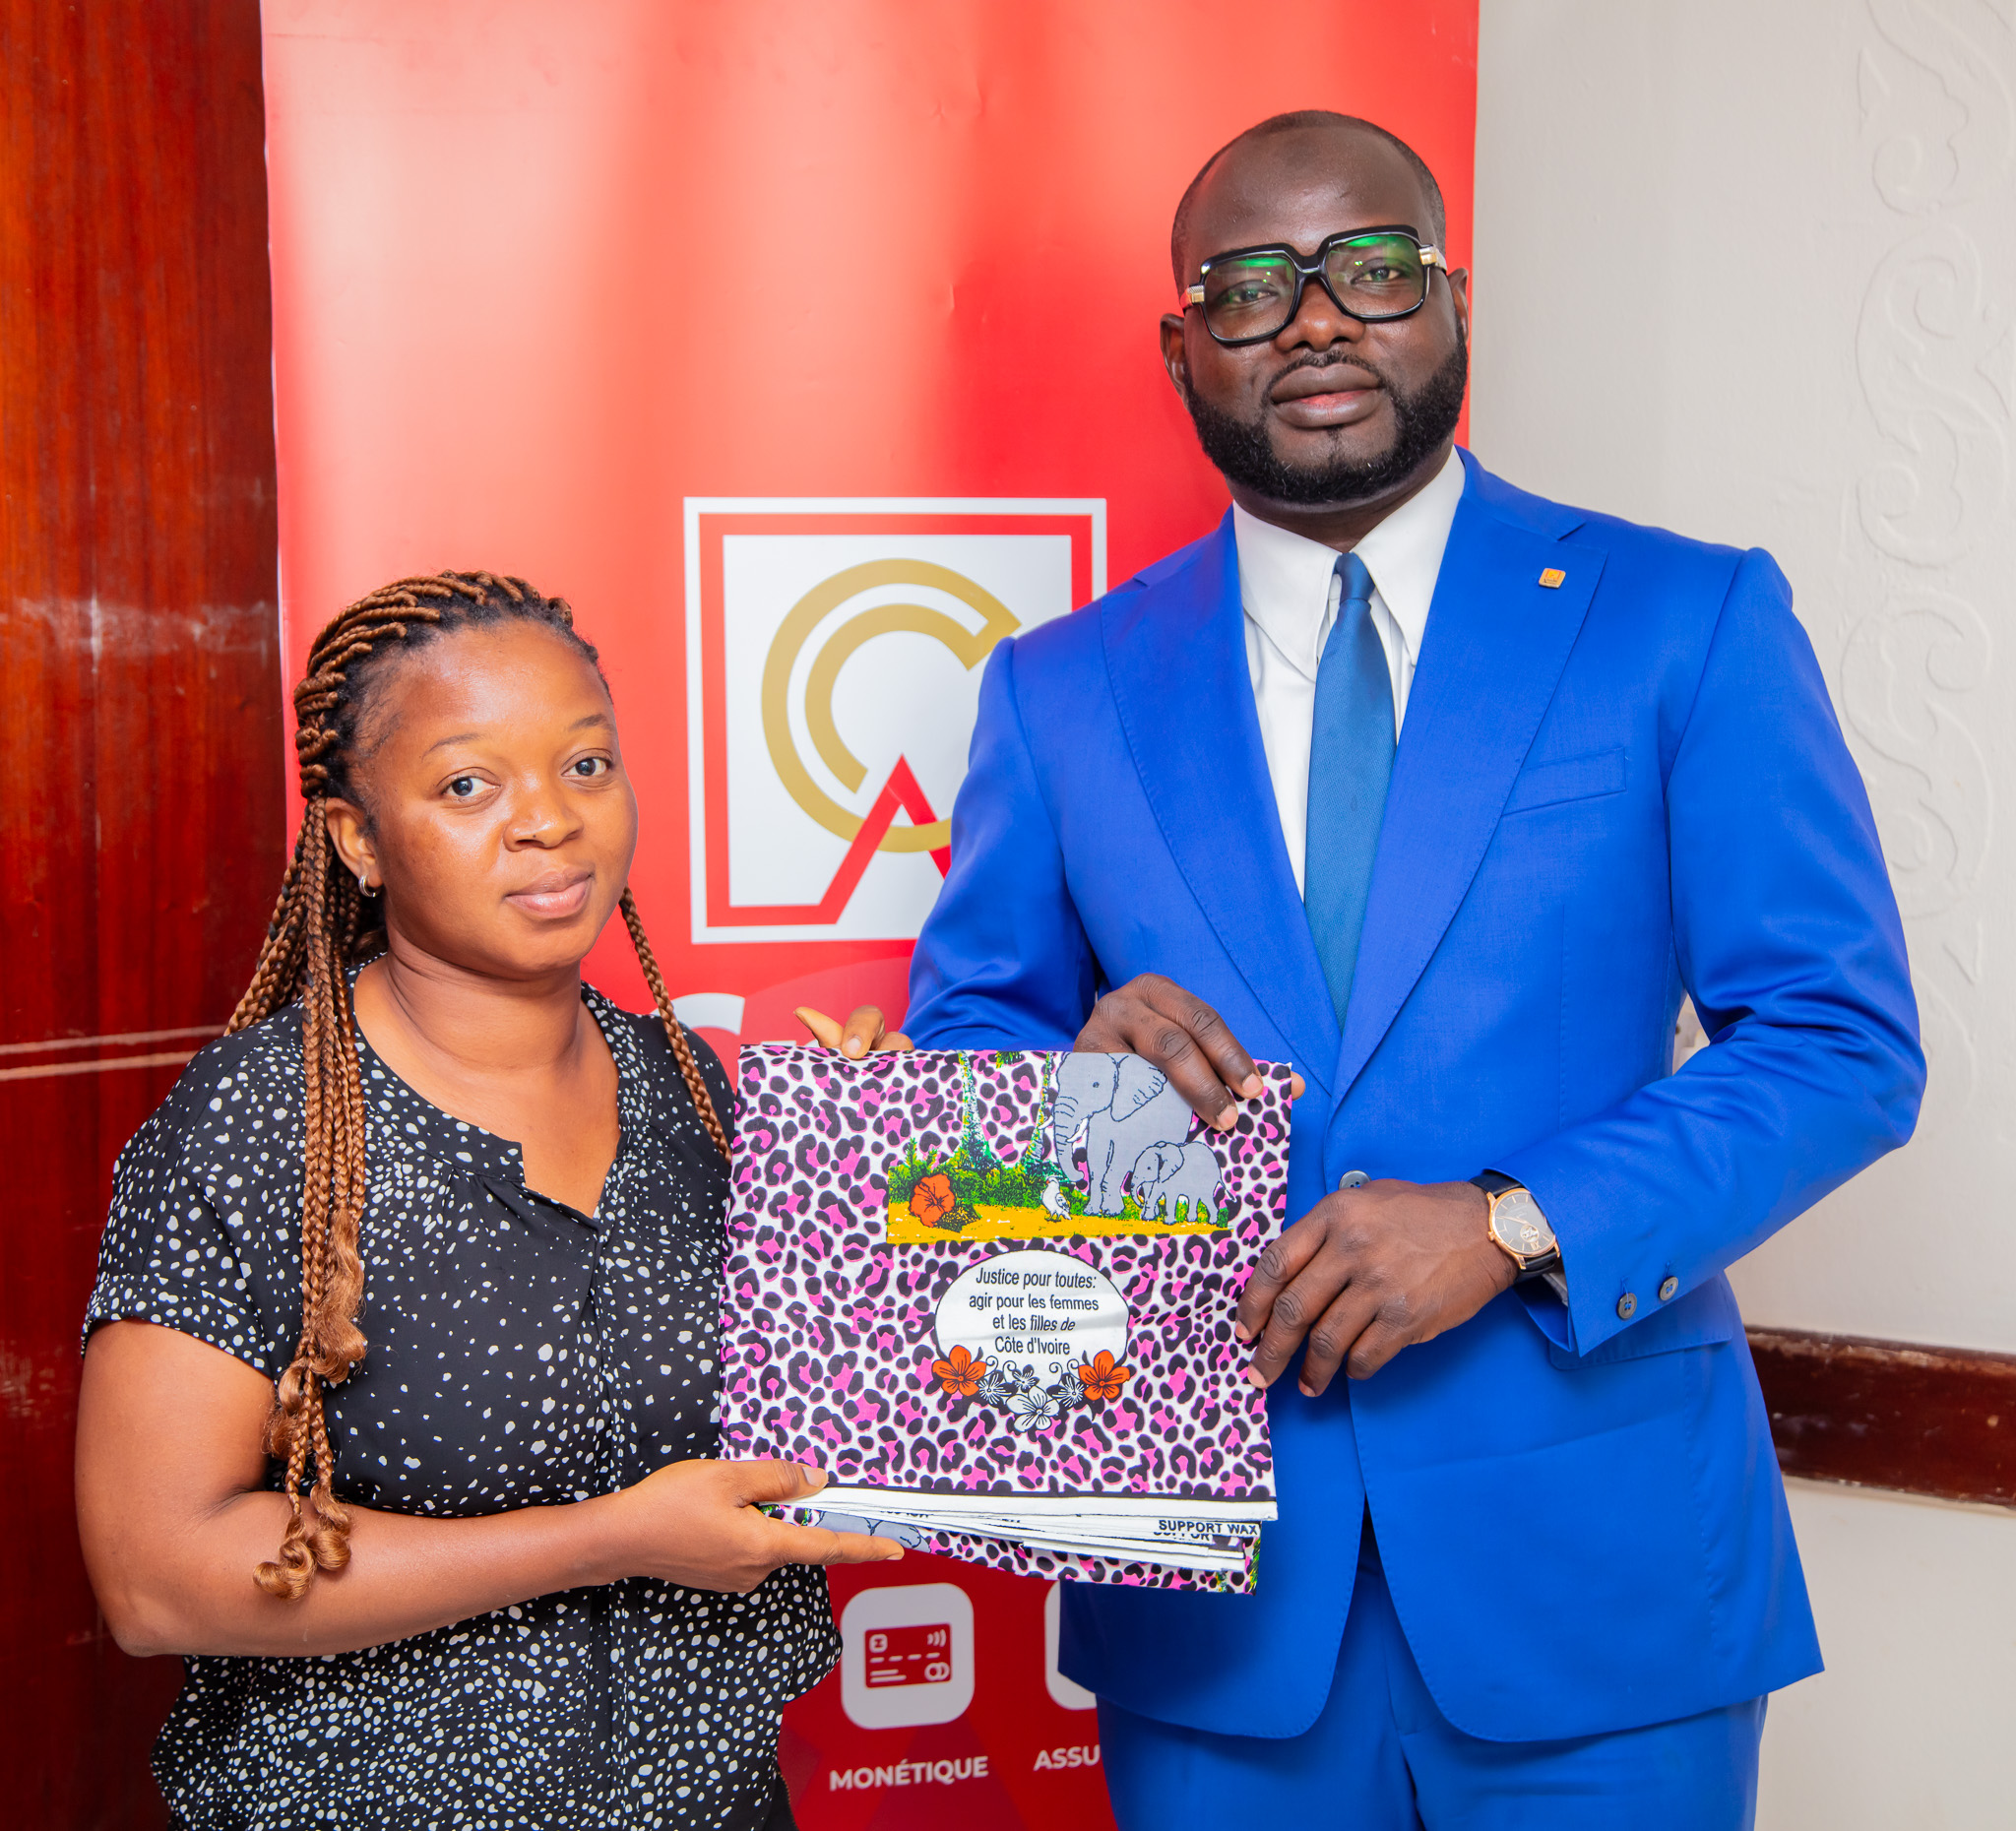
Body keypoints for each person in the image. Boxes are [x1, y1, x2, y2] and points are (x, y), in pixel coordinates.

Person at [899, 111, 1924, 1827]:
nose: (1314, 320)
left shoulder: (1683, 618)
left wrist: (1513, 1223)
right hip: (1211, 1603)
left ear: (1453, 302)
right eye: (1249, 287)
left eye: (1370, 270)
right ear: (1182, 349)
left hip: (1604, 1597)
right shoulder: (1060, 688)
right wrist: (1069, 1084)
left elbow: (1837, 1042)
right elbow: (960, 1053)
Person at [75, 572, 899, 1831]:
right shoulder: (260, 1125)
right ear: (357, 839)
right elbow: (156, 1578)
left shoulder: (694, 1093)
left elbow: (837, 1419)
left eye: (585, 765)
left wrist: (875, 1182)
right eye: (468, 785)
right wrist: (606, 1537)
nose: (548, 821)